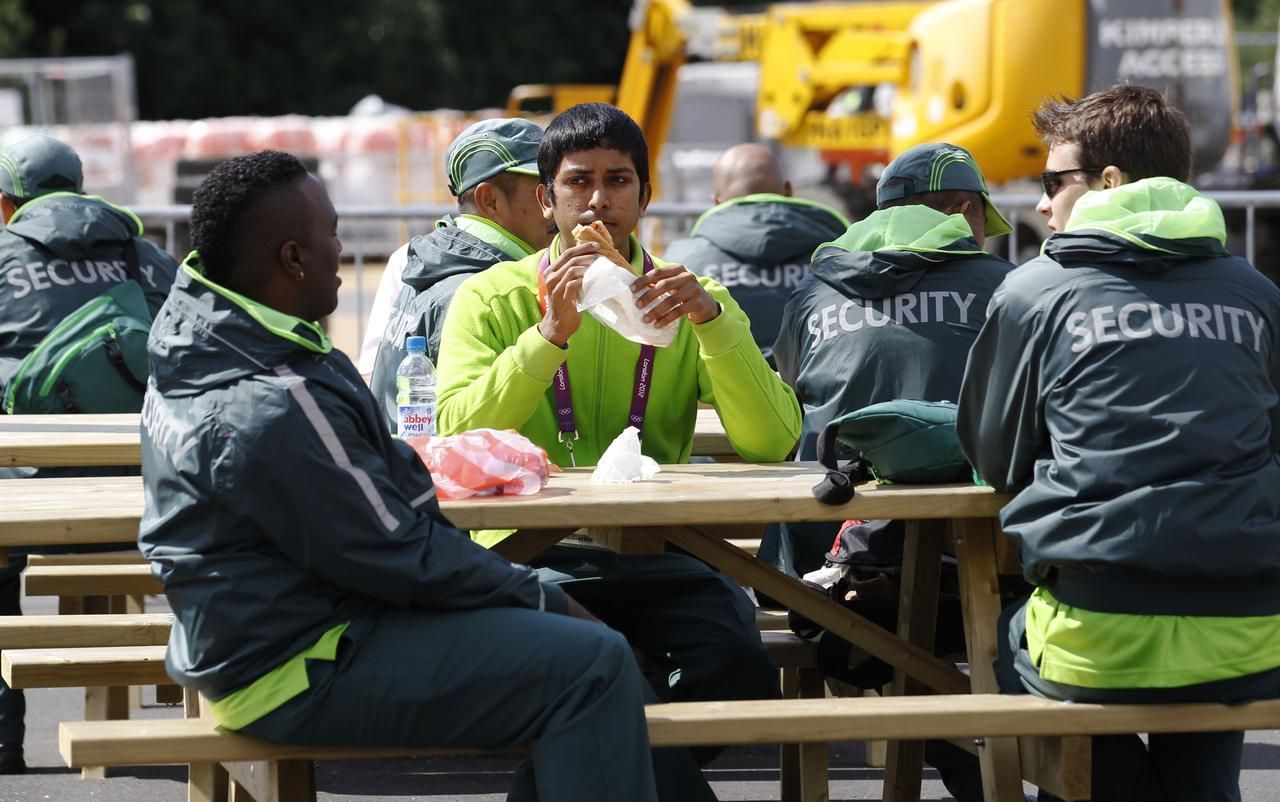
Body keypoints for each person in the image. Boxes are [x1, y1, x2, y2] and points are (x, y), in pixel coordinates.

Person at [139, 150, 659, 802]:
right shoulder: (272, 397)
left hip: (256, 631)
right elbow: (400, 554)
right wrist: (546, 600)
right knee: (594, 662)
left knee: (577, 660)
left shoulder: (206, 334)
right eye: (332, 233)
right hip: (295, 662)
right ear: (294, 258)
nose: (342, 248)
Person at [436, 102, 800, 800]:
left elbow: (774, 440)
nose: (598, 200)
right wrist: (548, 336)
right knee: (610, 669)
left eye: (618, 180)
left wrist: (712, 324)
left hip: (660, 555)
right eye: (578, 182)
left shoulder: (690, 295)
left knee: (735, 666)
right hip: (529, 560)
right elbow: (455, 430)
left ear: (644, 195)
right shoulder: (490, 297)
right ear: (545, 199)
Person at [958, 85, 1280, 802]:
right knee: (1202, 688)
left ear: (1107, 183)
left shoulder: (1035, 289)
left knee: (989, 646)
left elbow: (992, 458)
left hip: (1096, 629)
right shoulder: (1257, 293)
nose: (1041, 204)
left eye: (1052, 182)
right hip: (1251, 625)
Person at [0, 133, 178, 775]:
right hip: (151, 491)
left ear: (5, 204)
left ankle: (2, 739)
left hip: (28, 490)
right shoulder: (143, 254)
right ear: (80, 191)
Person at [767, 141, 1013, 580]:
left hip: (821, 550)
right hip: (969, 555)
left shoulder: (811, 291)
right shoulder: (1009, 289)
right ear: (964, 209)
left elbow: (788, 394)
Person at [367, 118, 554, 425]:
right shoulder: (479, 286)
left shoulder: (434, 263)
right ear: (489, 199)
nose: (553, 202)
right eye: (541, 188)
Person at [663, 143, 848, 363]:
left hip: (725, 389)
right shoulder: (840, 250)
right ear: (788, 190)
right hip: (821, 388)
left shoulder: (682, 261)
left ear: (716, 201)